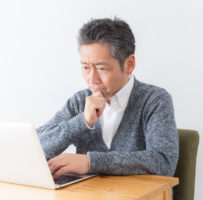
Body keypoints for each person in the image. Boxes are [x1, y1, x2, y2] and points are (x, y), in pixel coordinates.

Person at [37, 17, 179, 179]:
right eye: (85, 67)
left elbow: (163, 162)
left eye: (102, 68)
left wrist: (91, 162)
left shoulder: (155, 100)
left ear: (129, 64)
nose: (92, 80)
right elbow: (35, 147)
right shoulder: (80, 101)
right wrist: (82, 121)